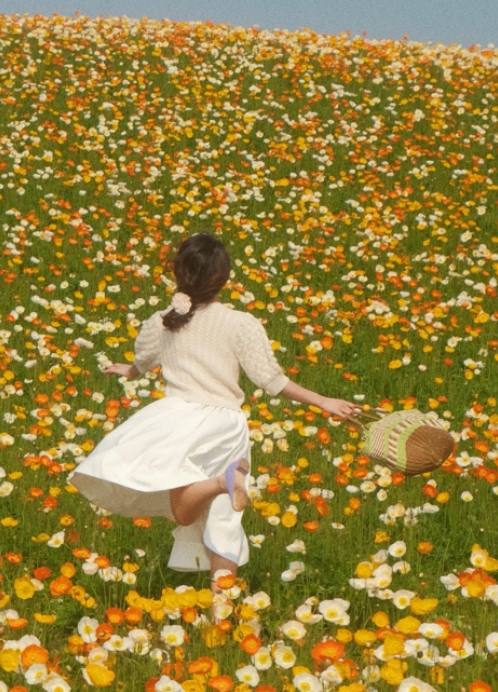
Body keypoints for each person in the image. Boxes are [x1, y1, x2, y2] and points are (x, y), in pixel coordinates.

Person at [69, 232, 360, 589]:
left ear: (179, 274)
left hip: (179, 422)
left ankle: (222, 482)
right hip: (225, 424)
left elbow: (143, 360)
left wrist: (128, 370)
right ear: (224, 279)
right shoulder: (239, 323)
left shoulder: (163, 320)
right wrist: (323, 401)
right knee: (224, 518)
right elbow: (271, 379)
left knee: (183, 510)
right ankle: (221, 609)